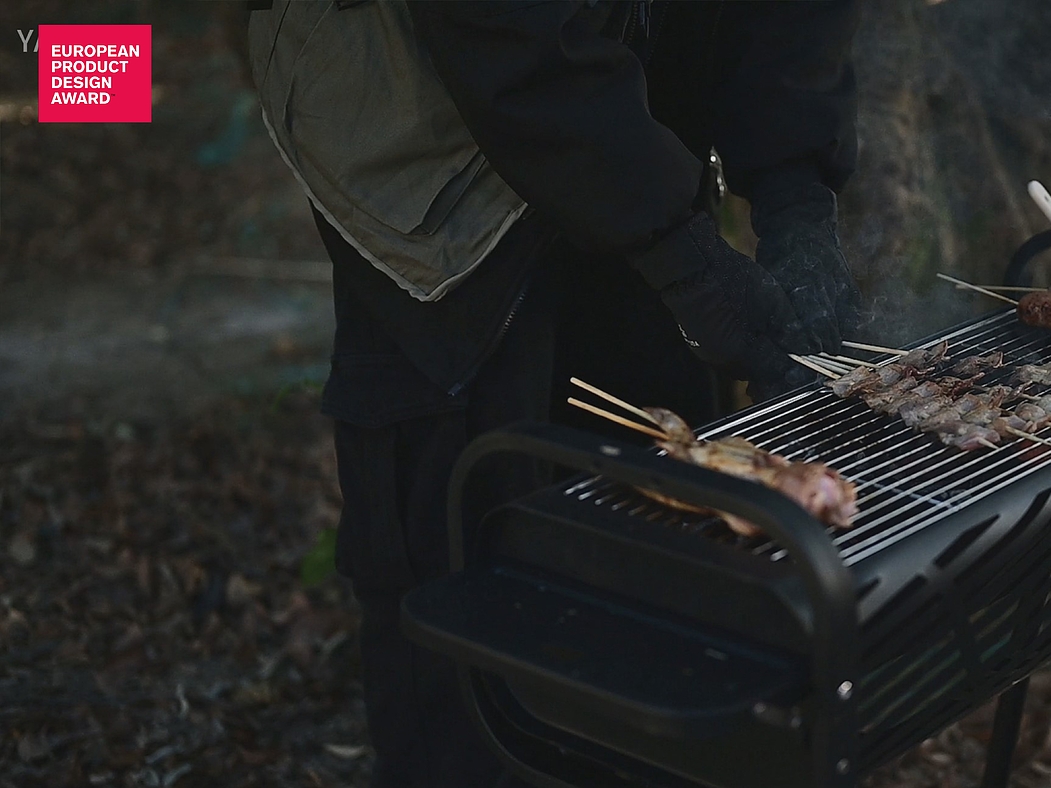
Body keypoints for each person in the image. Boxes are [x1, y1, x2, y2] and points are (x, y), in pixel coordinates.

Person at [247, 1, 861, 785]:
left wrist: (794, 190)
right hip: (434, 134)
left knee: (662, 504)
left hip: (637, 96)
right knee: (468, 537)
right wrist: (680, 249)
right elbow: (506, 33)